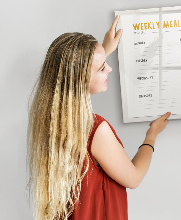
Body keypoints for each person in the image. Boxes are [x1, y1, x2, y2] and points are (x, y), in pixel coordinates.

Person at [27, 16, 171, 220]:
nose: (109, 69)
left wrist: (104, 50)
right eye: (102, 67)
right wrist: (152, 135)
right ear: (81, 78)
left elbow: (76, 72)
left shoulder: (50, 118)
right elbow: (134, 178)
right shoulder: (95, 130)